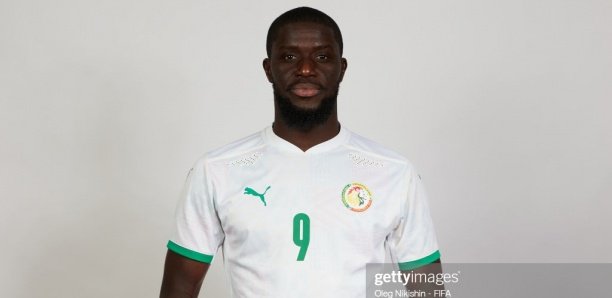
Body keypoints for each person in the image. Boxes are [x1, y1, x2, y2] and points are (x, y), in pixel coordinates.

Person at [160, 7, 441, 298]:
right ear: (269, 69)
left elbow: (428, 290)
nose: (306, 69)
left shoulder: (394, 172)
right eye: (289, 57)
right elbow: (180, 288)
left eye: (322, 57)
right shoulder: (216, 170)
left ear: (341, 68)